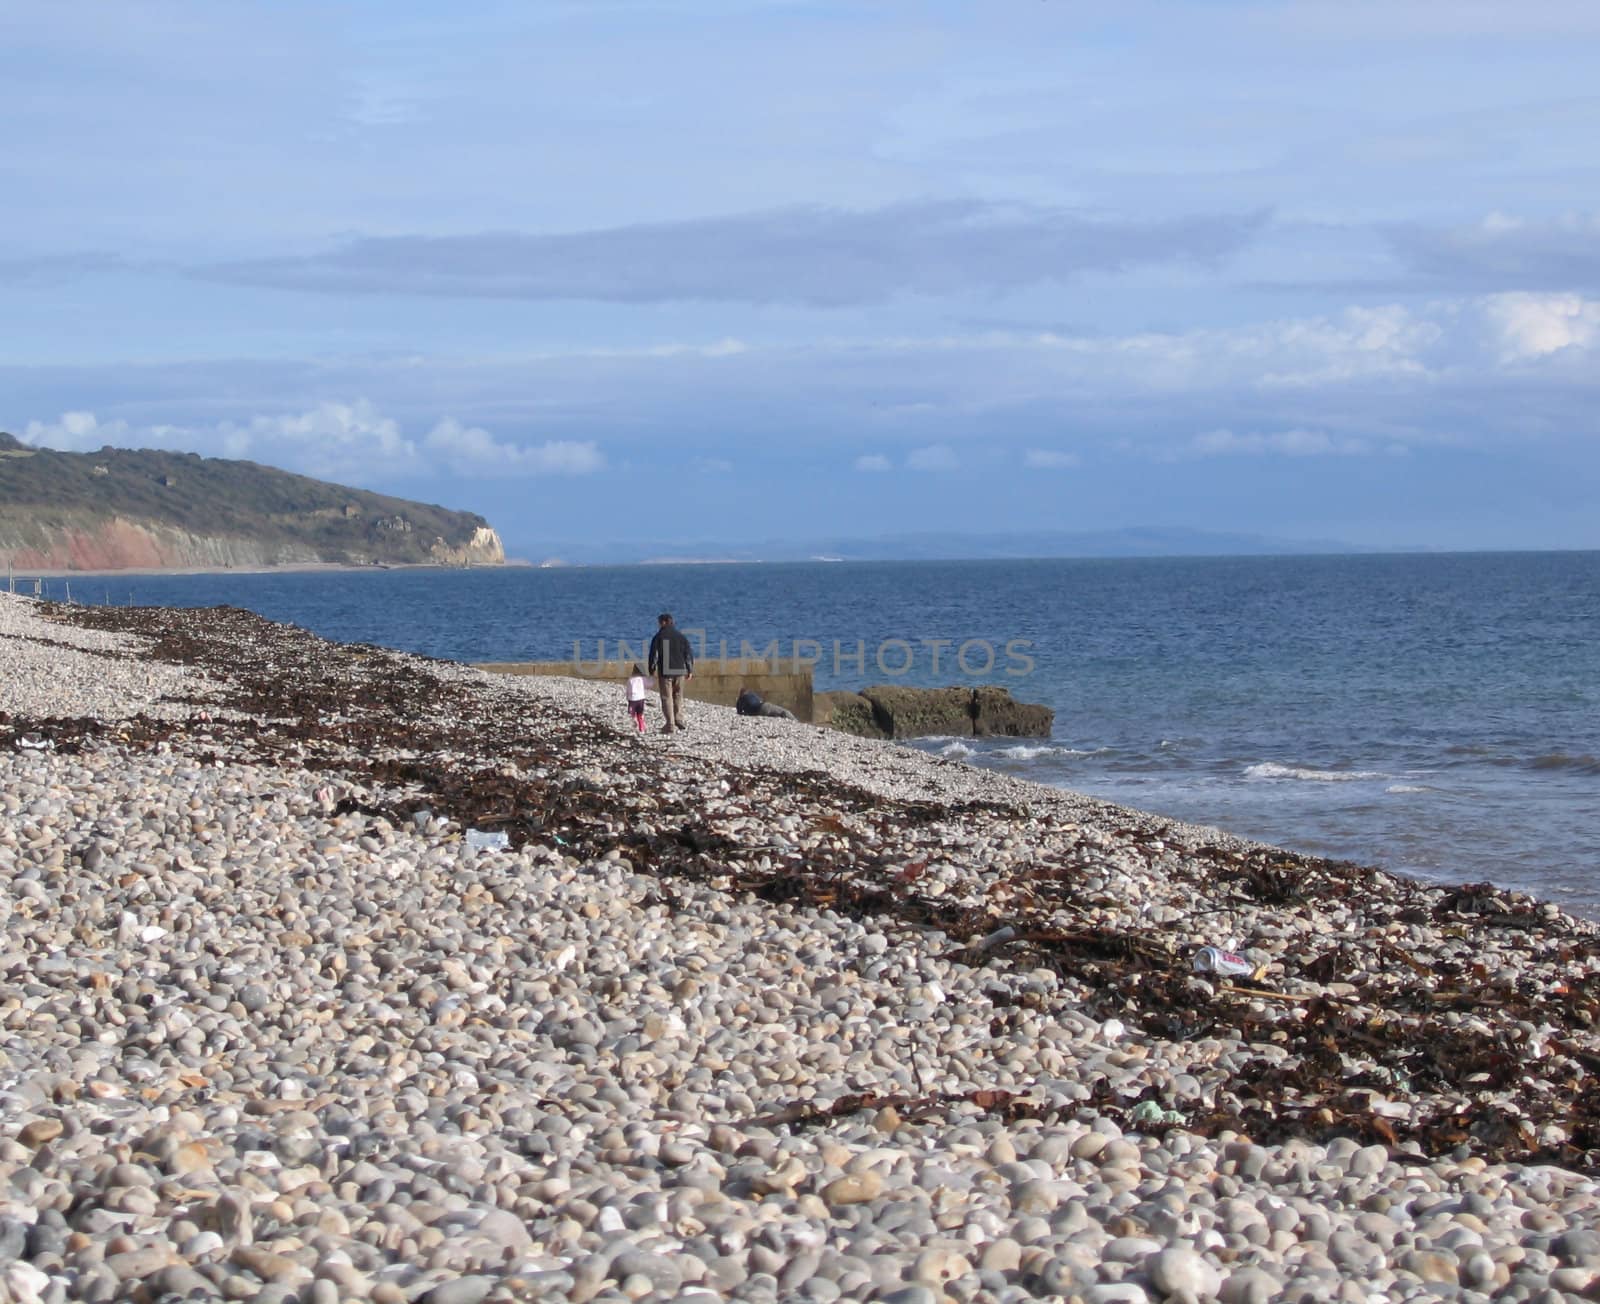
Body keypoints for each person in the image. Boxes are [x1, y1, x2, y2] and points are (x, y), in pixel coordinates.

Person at [647, 612, 695, 733]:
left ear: (663, 622)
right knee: (678, 695)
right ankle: (678, 719)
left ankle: (670, 724)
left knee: (666, 697)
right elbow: (688, 654)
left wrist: (651, 670)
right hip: (680, 670)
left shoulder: (659, 637)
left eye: (659, 622)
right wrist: (689, 670)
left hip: (666, 671)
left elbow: (654, 655)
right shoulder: (681, 636)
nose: (658, 625)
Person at [625, 663, 648, 734]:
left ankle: (634, 720)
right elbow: (646, 686)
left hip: (633, 699)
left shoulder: (630, 680)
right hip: (641, 698)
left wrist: (628, 697)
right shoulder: (642, 679)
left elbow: (629, 690)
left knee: (632, 713)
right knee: (640, 714)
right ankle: (642, 728)